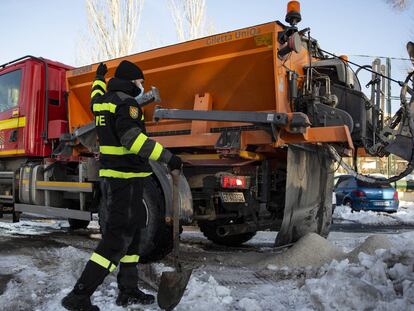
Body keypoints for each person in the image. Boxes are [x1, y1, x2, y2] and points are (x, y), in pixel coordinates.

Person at [62, 60, 182, 311]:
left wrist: (98, 77)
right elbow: (132, 140)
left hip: (122, 180)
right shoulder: (127, 104)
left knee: (135, 234)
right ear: (131, 82)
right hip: (125, 181)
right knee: (116, 241)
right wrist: (168, 157)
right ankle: (79, 295)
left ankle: (127, 290)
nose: (142, 87)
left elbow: (94, 96)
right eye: (140, 82)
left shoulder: (103, 100)